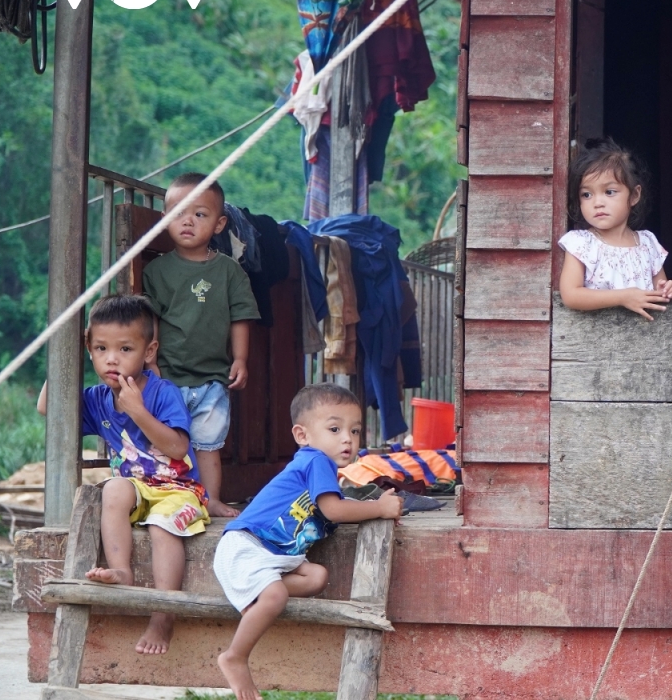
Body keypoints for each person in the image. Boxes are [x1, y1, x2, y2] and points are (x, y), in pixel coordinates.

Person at [36, 295, 209, 655]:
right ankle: (122, 572)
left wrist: (139, 411)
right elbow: (46, 408)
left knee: (162, 525)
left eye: (125, 348)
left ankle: (163, 616)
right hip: (135, 489)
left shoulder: (162, 393)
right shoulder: (98, 397)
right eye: (101, 348)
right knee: (111, 488)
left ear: (149, 352)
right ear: (90, 349)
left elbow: (178, 449)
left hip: (177, 490)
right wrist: (63, 355)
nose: (111, 359)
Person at [213, 383, 403, 700]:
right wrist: (379, 508)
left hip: (276, 556)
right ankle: (234, 656)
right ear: (303, 435)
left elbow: (328, 511)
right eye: (335, 428)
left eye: (355, 431)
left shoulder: (323, 470)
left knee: (317, 577)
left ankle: (257, 605)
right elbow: (333, 510)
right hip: (250, 545)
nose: (348, 439)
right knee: (275, 596)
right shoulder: (316, 461)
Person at [143, 172, 260, 518]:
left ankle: (211, 498)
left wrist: (240, 358)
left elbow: (242, 316)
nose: (188, 221)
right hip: (168, 377)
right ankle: (165, 497)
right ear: (165, 220)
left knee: (209, 444)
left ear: (220, 223)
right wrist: (151, 363)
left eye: (200, 214)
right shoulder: (157, 272)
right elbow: (150, 323)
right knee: (167, 441)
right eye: (179, 212)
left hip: (212, 378)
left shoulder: (229, 271)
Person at [558, 138, 672, 320]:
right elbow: (571, 295)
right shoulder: (581, 243)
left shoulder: (647, 244)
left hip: (643, 341)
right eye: (587, 194)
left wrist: (669, 292)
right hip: (595, 342)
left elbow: (659, 293)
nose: (597, 203)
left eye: (609, 192)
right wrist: (623, 297)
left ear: (634, 195)